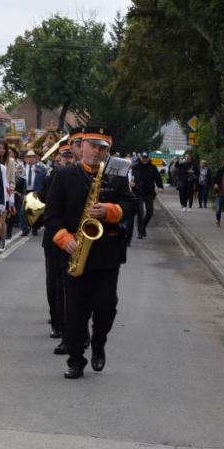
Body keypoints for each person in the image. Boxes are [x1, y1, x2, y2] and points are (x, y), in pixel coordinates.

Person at [44, 126, 137, 379]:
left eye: (103, 148)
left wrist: (109, 210)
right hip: (74, 253)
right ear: (81, 146)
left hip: (106, 253)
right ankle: (76, 360)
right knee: (75, 310)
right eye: (94, 146)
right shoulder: (64, 175)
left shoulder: (116, 174)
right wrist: (64, 239)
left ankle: (98, 344)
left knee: (106, 308)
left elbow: (131, 204)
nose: (97, 152)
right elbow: (51, 215)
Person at [41, 143, 74, 354]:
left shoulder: (80, 175)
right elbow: (45, 202)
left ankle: (71, 326)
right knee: (55, 283)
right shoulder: (53, 177)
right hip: (54, 237)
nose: (69, 159)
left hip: (76, 238)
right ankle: (57, 323)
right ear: (58, 158)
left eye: (71, 155)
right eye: (65, 156)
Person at [130, 151, 164, 239]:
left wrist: (160, 186)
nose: (145, 159)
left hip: (149, 193)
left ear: (148, 158)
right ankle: (140, 232)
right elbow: (132, 178)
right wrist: (132, 184)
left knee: (150, 212)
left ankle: (143, 226)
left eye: (146, 158)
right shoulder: (136, 167)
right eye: (143, 158)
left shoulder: (152, 167)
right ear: (140, 158)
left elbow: (158, 178)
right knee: (140, 212)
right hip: (139, 192)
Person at [20, 150, 47, 235]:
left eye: (33, 157)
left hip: (36, 191)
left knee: (35, 211)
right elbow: (18, 182)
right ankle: (24, 229)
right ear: (25, 159)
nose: (31, 159)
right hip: (26, 191)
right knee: (23, 210)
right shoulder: (21, 168)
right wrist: (20, 193)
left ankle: (35, 228)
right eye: (28, 157)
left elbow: (44, 182)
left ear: (36, 158)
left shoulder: (41, 169)